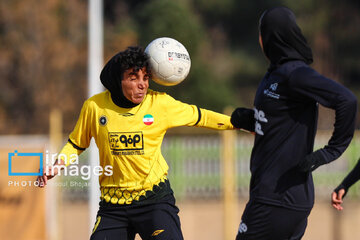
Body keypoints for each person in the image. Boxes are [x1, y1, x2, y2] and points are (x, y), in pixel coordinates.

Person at [37, 46, 237, 240]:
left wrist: (243, 121)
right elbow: (76, 143)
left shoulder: (160, 104)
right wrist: (57, 166)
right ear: (118, 80)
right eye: (133, 78)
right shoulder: (95, 107)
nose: (142, 84)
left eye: (146, 78)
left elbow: (201, 116)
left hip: (154, 200)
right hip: (113, 206)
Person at [231, 6, 357, 240]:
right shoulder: (274, 74)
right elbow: (282, 121)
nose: (259, 39)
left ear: (269, 37)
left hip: (278, 198)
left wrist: (330, 152)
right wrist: (251, 119)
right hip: (276, 196)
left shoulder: (295, 73)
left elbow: (347, 100)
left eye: (261, 32)